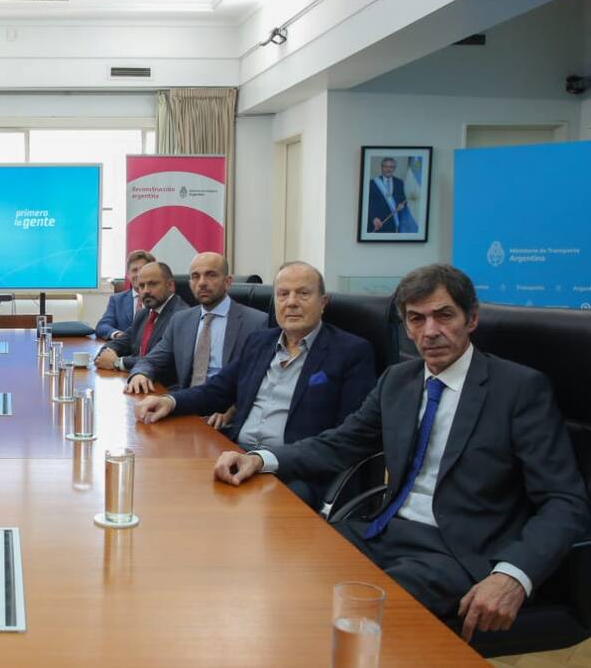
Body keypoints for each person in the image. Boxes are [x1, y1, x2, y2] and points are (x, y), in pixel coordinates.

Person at [213, 264, 589, 640]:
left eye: (444, 316)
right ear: (406, 327)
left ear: (471, 318)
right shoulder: (398, 380)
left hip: (456, 552)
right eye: (416, 319)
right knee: (284, 573)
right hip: (382, 530)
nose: (430, 331)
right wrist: (260, 459)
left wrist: (513, 575)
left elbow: (564, 500)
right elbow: (341, 442)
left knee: (354, 618)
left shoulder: (519, 389)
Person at [135, 261, 376, 506]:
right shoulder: (259, 342)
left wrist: (264, 459)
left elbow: (346, 437)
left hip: (295, 471)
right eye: (283, 294)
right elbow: (216, 391)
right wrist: (170, 401)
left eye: (303, 293)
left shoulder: (351, 352)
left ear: (322, 302)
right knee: (172, 487)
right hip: (237, 453)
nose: (291, 302)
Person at [125, 252, 267, 429]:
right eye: (195, 276)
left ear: (227, 281)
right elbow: (151, 360)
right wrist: (141, 373)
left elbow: (258, 381)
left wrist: (233, 410)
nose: (202, 283)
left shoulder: (255, 322)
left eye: (211, 275)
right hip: (185, 408)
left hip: (223, 416)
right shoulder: (181, 320)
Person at [95, 261, 189, 372]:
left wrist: (118, 362)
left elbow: (163, 360)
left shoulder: (182, 316)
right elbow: (121, 342)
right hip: (136, 377)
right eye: (141, 286)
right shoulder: (144, 314)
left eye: (152, 284)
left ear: (170, 285)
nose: (146, 291)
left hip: (161, 381)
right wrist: (106, 353)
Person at [95, 249, 155, 340]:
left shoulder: (158, 298)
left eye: (143, 269)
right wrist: (118, 334)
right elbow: (102, 326)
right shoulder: (117, 300)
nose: (138, 274)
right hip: (123, 346)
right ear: (128, 275)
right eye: (134, 270)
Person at [366, 157, 418, 234]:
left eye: (391, 167)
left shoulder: (399, 183)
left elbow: (403, 199)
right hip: (377, 223)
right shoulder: (372, 183)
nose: (388, 169)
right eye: (386, 166)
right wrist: (373, 218)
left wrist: (402, 205)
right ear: (382, 168)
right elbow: (368, 203)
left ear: (394, 169)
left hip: (392, 223)